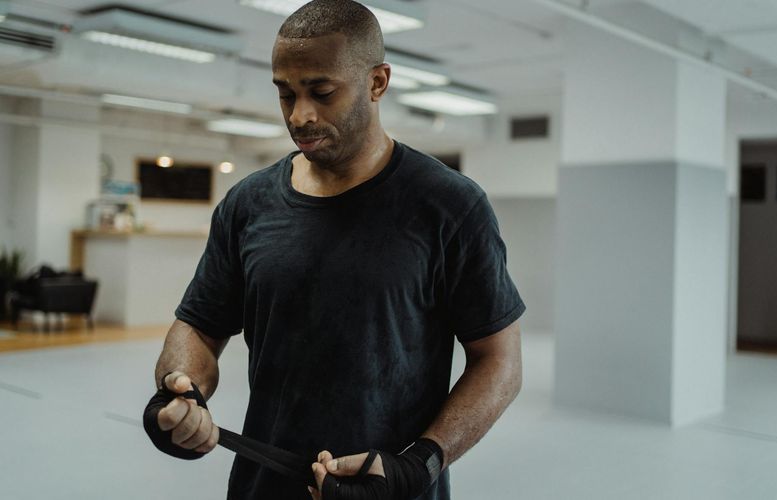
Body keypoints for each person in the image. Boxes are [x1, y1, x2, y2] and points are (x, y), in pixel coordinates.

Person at [142, 1, 525, 499]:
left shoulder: (450, 205)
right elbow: (198, 324)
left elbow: (500, 361)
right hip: (264, 484)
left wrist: (419, 463)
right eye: (286, 94)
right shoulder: (249, 204)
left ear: (377, 82)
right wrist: (181, 391)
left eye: (322, 92)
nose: (300, 115)